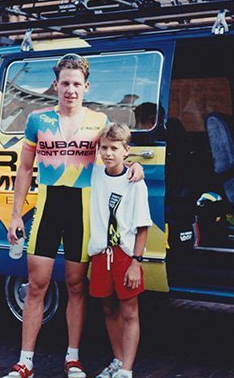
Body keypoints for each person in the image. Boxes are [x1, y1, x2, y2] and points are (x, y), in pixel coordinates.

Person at [4, 54, 144, 378]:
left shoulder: (98, 120)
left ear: (86, 87)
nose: (70, 90)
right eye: (65, 83)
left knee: (76, 285)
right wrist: (15, 216)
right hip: (48, 206)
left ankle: (73, 358)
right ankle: (25, 361)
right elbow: (25, 169)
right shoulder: (37, 120)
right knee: (36, 285)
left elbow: (115, 152)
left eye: (76, 84)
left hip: (82, 209)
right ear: (55, 85)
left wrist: (135, 164)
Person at [88, 123, 152, 378]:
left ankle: (127, 369)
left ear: (126, 150)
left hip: (125, 254)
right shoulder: (94, 175)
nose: (108, 153)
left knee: (129, 311)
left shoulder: (135, 182)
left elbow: (142, 226)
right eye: (104, 147)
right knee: (108, 309)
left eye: (114, 148)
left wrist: (136, 261)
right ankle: (117, 359)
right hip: (101, 253)